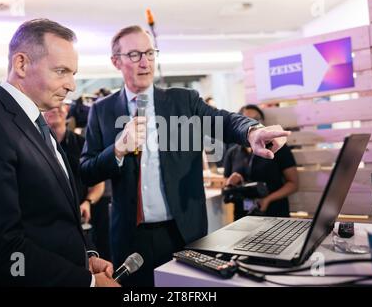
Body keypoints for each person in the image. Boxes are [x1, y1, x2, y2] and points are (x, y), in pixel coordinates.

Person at [80, 25, 290, 286]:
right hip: (131, 237)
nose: (145, 62)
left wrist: (252, 131)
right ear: (116, 62)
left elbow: (223, 121)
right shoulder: (101, 111)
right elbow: (87, 169)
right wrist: (118, 148)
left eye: (149, 53)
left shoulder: (183, 101)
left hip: (182, 231)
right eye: (134, 55)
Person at [0, 19, 118, 287]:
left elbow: (44, 220)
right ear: (22, 64)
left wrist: (83, 258)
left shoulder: (33, 121)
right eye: (61, 71)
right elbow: (2, 249)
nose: (72, 84)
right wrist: (86, 282)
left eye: (73, 73)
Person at [44, 105, 111, 260]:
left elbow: (98, 183)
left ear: (66, 111)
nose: (56, 109)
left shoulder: (82, 144)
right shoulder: (38, 146)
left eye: (60, 107)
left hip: (85, 218)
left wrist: (88, 202)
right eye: (51, 108)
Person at [224, 104, 298, 219]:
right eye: (247, 120)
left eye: (257, 120)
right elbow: (226, 188)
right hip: (242, 218)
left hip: (275, 214)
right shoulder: (232, 152)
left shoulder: (277, 147)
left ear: (263, 123)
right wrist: (230, 183)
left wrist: (267, 199)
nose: (253, 124)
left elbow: (293, 184)